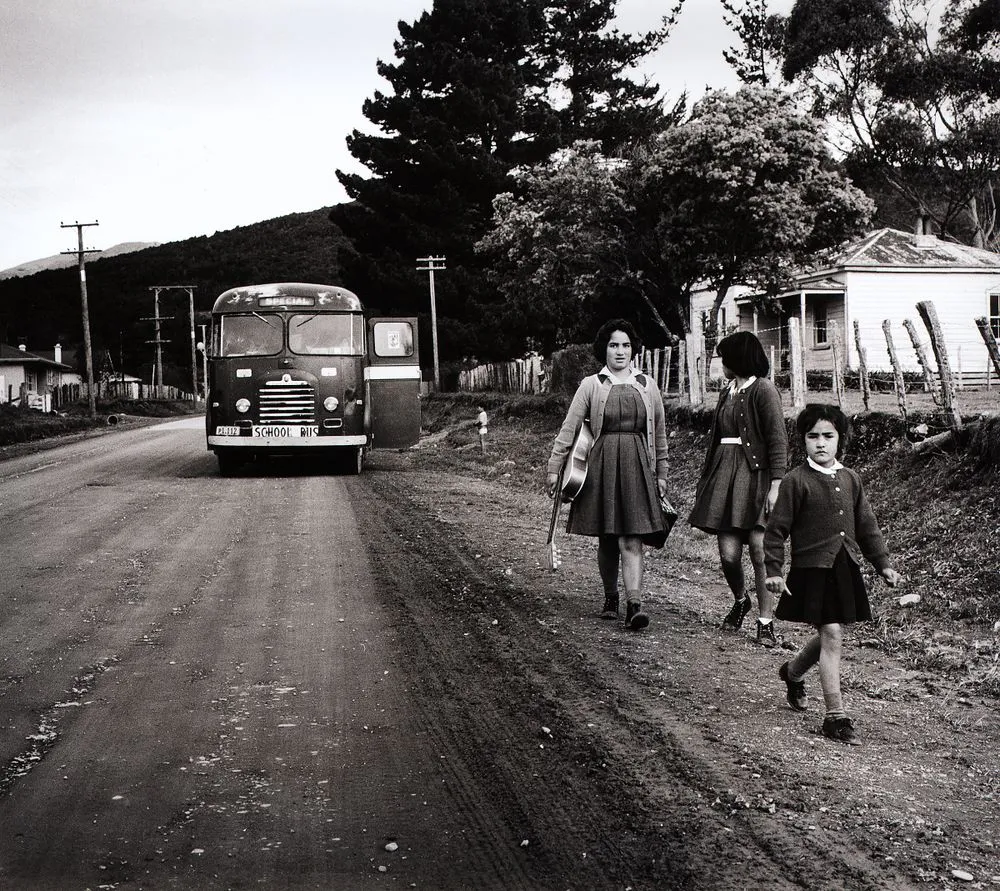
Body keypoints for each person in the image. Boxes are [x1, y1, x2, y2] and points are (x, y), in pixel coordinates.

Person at [765, 404, 902, 745]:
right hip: (812, 569)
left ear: (840, 439)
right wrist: (774, 570)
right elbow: (776, 530)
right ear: (803, 440)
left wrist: (883, 564)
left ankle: (793, 672)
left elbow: (867, 525)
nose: (821, 443)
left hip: (844, 566)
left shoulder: (851, 478)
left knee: (833, 633)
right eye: (813, 436)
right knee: (832, 633)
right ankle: (835, 717)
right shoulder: (796, 480)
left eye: (828, 436)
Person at [546, 319, 669, 631]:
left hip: (638, 465)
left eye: (626, 345)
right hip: (601, 466)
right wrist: (554, 467)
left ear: (633, 349)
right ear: (605, 349)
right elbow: (569, 428)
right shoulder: (591, 385)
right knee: (608, 538)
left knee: (633, 537)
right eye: (614, 345)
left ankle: (634, 605)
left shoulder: (647, 385)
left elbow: (659, 434)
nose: (620, 351)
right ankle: (611, 597)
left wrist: (662, 474)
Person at [688, 331, 787, 646]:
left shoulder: (764, 390)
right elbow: (715, 440)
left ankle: (765, 622)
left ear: (738, 358)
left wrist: (776, 485)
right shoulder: (726, 392)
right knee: (729, 555)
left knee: (759, 550)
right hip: (725, 479)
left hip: (757, 479)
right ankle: (741, 600)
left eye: (724, 357)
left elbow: (777, 439)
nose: (722, 363)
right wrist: (707, 480)